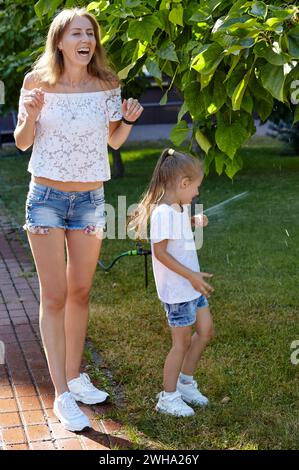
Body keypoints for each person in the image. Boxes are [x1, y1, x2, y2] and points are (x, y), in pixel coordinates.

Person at [14, 7, 143, 432]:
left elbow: (114, 139)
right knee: (53, 296)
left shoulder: (107, 83)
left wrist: (125, 119)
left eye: (90, 32)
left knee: (81, 291)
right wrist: (30, 115)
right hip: (47, 199)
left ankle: (73, 375)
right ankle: (61, 395)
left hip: (90, 199)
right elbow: (22, 142)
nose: (85, 39)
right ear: (60, 42)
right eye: (76, 33)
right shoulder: (36, 83)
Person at [129, 148, 215, 417]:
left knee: (206, 331)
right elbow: (161, 252)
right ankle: (168, 397)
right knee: (182, 344)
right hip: (179, 291)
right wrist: (191, 275)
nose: (197, 194)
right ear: (183, 183)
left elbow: (178, 228)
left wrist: (192, 219)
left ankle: (186, 383)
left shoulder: (179, 207)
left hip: (192, 286)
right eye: (196, 188)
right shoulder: (163, 213)